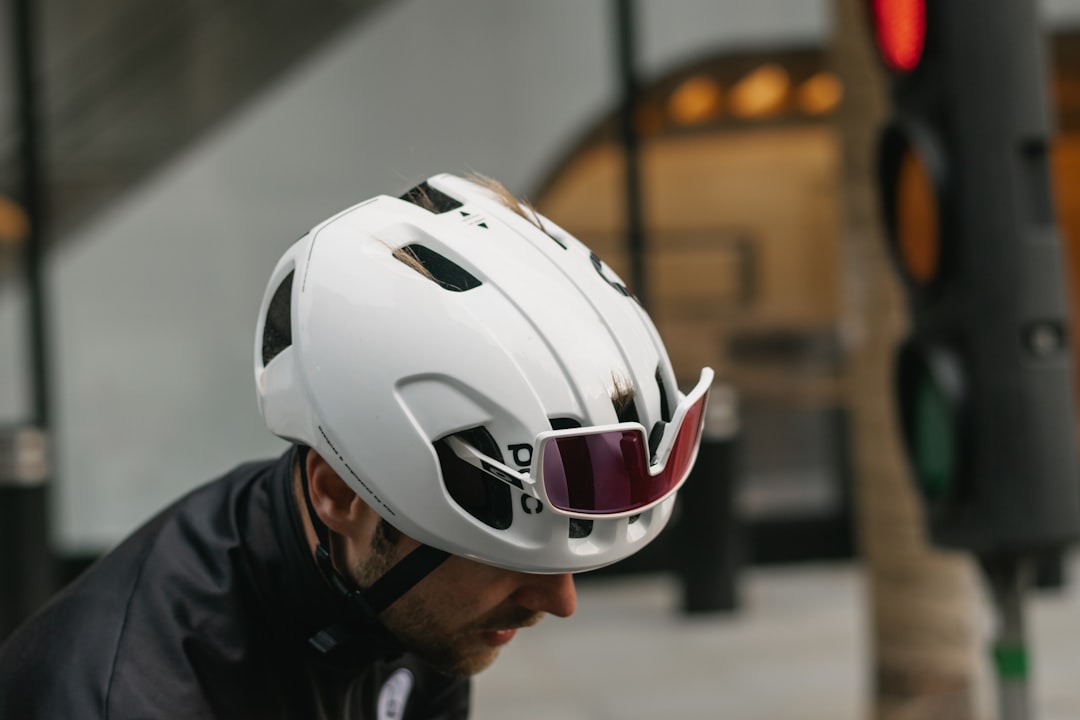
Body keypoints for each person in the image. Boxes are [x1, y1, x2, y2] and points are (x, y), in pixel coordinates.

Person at [0, 173, 712, 719]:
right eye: (509, 553)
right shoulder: (120, 696)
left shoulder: (407, 600)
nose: (560, 601)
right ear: (338, 493)